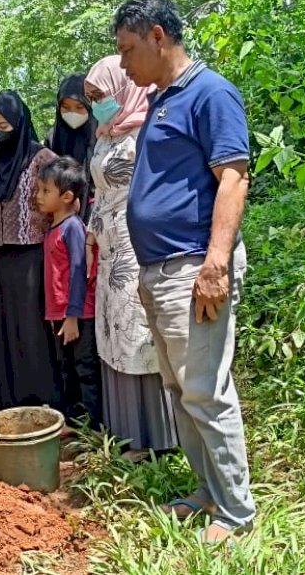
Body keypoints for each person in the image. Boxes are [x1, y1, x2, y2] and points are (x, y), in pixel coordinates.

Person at [114, 0, 255, 542]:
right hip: (162, 268)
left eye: (128, 49)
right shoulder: (162, 99)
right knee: (180, 389)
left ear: (157, 35)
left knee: (205, 390)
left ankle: (236, 514)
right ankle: (207, 492)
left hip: (195, 265)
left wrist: (216, 263)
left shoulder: (210, 93)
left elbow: (234, 178)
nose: (123, 63)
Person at [83, 54, 178, 460]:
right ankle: (127, 432)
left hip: (137, 241)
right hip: (108, 246)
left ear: (122, 89)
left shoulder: (146, 131)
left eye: (100, 95)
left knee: (139, 331)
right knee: (113, 332)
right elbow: (100, 191)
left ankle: (157, 436)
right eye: (91, 98)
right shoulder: (106, 133)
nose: (96, 105)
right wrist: (91, 233)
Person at [0, 90, 62, 410]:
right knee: (6, 328)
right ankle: (13, 398)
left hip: (35, 256)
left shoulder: (42, 158)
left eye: (3, 127)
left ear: (19, 125)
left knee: (35, 329)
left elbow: (63, 202)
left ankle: (46, 399)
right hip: (0, 259)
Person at [36, 156, 102, 429]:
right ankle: (75, 423)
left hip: (78, 315)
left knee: (86, 369)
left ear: (66, 197)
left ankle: (96, 427)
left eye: (45, 191)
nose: (39, 196)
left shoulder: (72, 227)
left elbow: (78, 271)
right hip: (60, 315)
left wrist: (73, 315)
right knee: (67, 370)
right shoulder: (53, 227)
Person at [45, 75, 97, 221]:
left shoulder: (101, 136)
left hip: (95, 217)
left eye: (79, 107)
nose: (73, 113)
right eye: (66, 107)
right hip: (58, 218)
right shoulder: (52, 138)